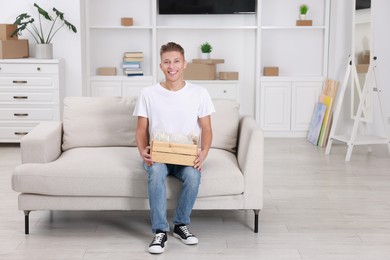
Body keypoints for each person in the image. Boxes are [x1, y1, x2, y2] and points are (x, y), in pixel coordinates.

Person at [133, 42, 215, 254]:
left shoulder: (199, 93)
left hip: (185, 156)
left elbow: (207, 129)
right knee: (157, 172)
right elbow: (141, 129)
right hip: (158, 156)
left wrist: (203, 153)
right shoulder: (148, 93)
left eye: (176, 61)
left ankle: (180, 225)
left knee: (194, 176)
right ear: (161, 66)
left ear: (184, 63)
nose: (172, 66)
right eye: (167, 62)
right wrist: (142, 151)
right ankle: (160, 231)